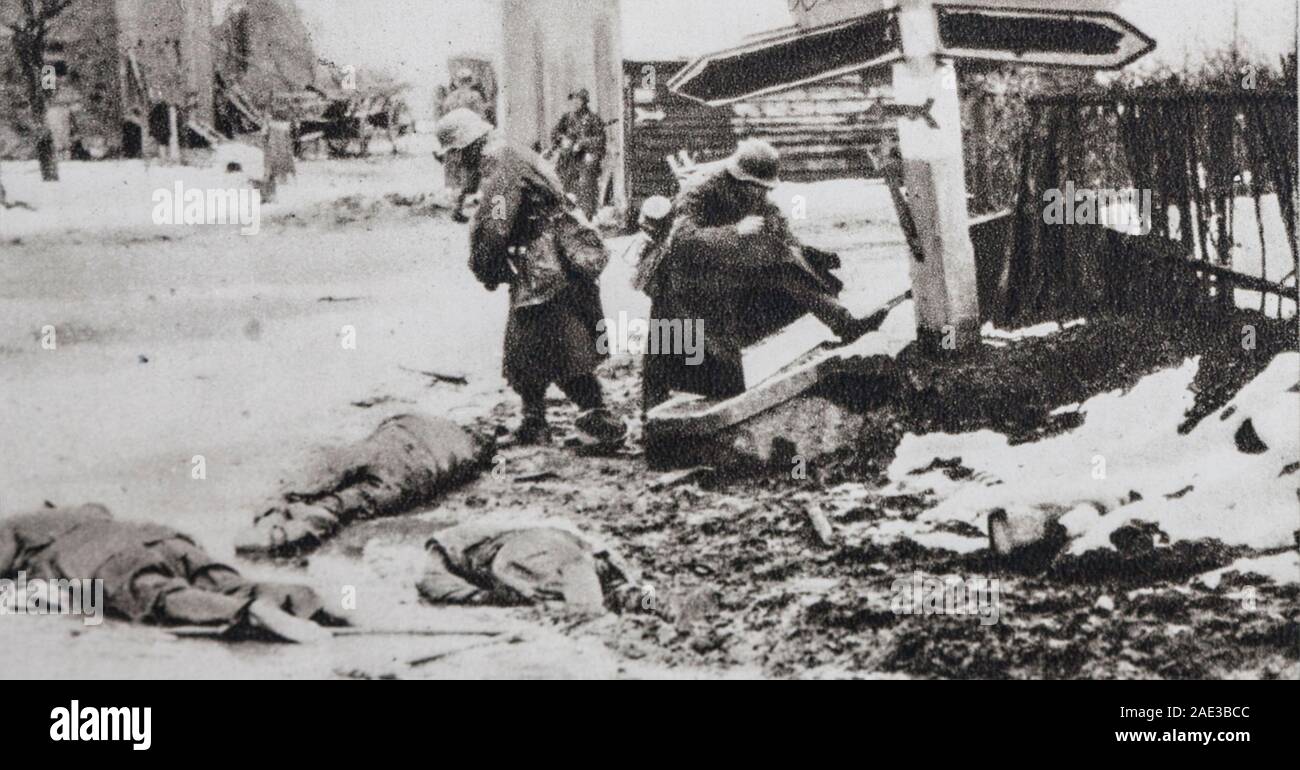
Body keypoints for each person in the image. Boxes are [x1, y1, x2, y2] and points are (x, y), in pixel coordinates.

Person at [637, 139, 886, 412]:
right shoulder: (700, 188)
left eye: (765, 189)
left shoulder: (754, 193)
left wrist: (803, 251)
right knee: (675, 344)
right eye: (759, 187)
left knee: (786, 270)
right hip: (679, 275)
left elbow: (778, 227)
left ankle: (846, 324)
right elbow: (681, 240)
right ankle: (654, 406)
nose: (762, 194)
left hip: (719, 270)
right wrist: (736, 231)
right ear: (741, 179)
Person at [435, 108, 626, 447]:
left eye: (454, 154)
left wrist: (486, 265)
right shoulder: (509, 151)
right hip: (554, 263)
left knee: (560, 348)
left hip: (546, 270)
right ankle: (538, 420)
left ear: (464, 146)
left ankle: (597, 420)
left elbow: (495, 220)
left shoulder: (499, 159)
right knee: (535, 347)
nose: (455, 162)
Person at [0, 504, 337, 642]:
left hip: (100, 558)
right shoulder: (75, 510)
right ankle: (305, 602)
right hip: (159, 536)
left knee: (160, 595)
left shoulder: (8, 530)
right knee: (224, 580)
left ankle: (247, 613)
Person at [416, 520, 643, 615]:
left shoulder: (449, 544)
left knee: (583, 597)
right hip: (565, 542)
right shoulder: (447, 545)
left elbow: (430, 582)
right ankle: (640, 601)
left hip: (542, 547)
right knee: (619, 589)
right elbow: (431, 581)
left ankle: (624, 603)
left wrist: (486, 597)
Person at [549, 88, 606, 219]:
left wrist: (582, 144)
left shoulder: (592, 119)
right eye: (573, 99)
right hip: (568, 159)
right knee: (561, 184)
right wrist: (562, 140)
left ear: (585, 102)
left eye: (578, 99)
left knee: (585, 185)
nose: (575, 103)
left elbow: (600, 140)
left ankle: (587, 216)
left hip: (585, 159)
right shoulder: (567, 117)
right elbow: (555, 133)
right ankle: (565, 216)